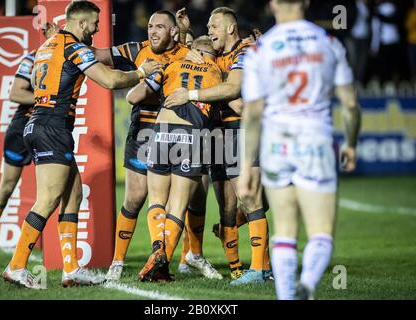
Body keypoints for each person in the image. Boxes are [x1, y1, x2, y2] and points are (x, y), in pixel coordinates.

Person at [1, 0, 161, 289]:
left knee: (73, 196)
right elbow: (109, 81)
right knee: (47, 199)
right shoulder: (74, 47)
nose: (97, 29)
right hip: (52, 125)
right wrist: (141, 73)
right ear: (82, 23)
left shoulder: (50, 44)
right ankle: (16, 265)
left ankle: (71, 269)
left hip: (42, 123)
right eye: (95, 24)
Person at [238, 0, 361, 299]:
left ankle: (286, 295)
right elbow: (350, 105)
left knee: (285, 230)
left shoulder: (260, 50)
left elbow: (252, 113)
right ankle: (307, 281)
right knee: (320, 231)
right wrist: (351, 143)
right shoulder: (329, 42)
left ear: (272, 4)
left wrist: (244, 168)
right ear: (305, 2)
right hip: (315, 140)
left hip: (277, 142)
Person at [164, 7, 272, 285]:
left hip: (242, 131)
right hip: (219, 134)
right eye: (209, 27)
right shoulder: (219, 56)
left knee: (252, 199)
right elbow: (192, 56)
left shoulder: (244, 53)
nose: (209, 30)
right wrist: (185, 32)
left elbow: (234, 94)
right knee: (226, 204)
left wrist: (192, 94)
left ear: (230, 29)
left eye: (214, 26)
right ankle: (238, 269)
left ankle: (260, 269)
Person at [93, 10, 195, 282]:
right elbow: (98, 55)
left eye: (160, 27)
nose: (152, 31)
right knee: (134, 199)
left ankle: (166, 259)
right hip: (144, 133)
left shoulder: (186, 52)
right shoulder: (137, 49)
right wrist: (69, 44)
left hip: (178, 134)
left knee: (175, 202)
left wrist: (186, 32)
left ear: (173, 31)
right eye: (150, 26)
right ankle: (118, 260)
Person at [127, 36, 223, 282]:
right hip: (191, 134)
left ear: (193, 50)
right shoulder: (218, 71)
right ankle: (162, 261)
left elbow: (132, 97)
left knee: (157, 201)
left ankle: (157, 252)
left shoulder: (173, 64)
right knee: (178, 207)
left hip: (161, 131)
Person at [0, 23, 57, 264]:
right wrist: (46, 99)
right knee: (8, 184)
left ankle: (59, 252)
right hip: (23, 125)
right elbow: (15, 93)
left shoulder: (70, 58)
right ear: (45, 34)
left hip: (51, 130)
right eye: (54, 31)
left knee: (58, 189)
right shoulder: (32, 58)